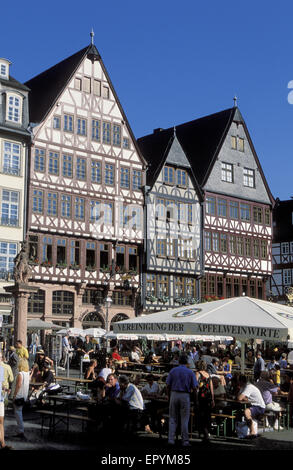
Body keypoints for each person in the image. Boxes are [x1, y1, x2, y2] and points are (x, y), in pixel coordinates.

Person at [166, 354, 198, 447]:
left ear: (179, 361)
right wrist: (196, 400)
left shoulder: (173, 370)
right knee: (185, 419)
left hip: (174, 393)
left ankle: (171, 439)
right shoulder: (190, 372)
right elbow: (195, 388)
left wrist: (168, 396)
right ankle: (185, 441)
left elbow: (167, 385)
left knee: (172, 417)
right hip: (185, 395)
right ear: (187, 363)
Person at [196, 360, 215, 441]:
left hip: (201, 397)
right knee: (207, 415)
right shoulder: (208, 375)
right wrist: (213, 399)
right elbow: (211, 388)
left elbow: (196, 386)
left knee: (200, 415)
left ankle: (204, 433)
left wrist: (195, 398)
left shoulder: (197, 373)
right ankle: (205, 432)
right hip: (208, 397)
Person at [13, 358, 30, 439]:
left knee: (18, 413)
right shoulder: (27, 373)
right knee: (19, 412)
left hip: (19, 395)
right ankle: (20, 430)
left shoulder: (20, 374)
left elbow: (18, 385)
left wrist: (14, 395)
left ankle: (21, 430)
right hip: (24, 395)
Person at [0, 362, 12, 450]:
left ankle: (3, 443)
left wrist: (6, 389)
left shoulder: (1, 369)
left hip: (0, 399)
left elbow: (1, 385)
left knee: (1, 421)